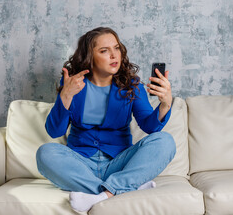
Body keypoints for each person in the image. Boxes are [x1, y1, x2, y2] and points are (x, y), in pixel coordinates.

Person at [36, 27, 176, 212]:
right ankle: (124, 187)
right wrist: (66, 96)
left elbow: (150, 127)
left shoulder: (131, 85)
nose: (114, 55)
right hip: (81, 164)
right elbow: (55, 131)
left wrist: (165, 104)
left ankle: (103, 194)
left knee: (165, 141)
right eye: (104, 51)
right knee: (45, 153)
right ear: (90, 56)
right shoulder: (73, 83)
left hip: (119, 162)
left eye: (116, 48)